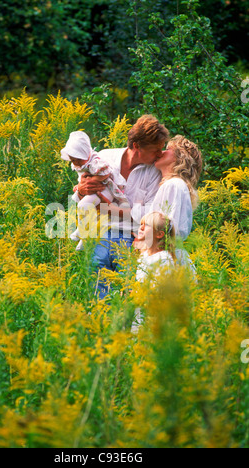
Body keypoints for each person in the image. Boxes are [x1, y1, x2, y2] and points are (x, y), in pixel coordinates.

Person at [76, 115, 170, 299]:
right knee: (97, 297)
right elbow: (82, 195)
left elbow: (148, 212)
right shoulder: (104, 157)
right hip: (98, 234)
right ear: (137, 146)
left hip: (130, 238)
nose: (160, 154)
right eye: (156, 150)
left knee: (124, 297)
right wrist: (80, 190)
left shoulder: (154, 172)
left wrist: (109, 209)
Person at [61, 131, 128, 250]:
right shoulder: (82, 163)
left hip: (107, 188)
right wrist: (79, 186)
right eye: (72, 160)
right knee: (89, 211)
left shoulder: (96, 161)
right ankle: (84, 236)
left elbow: (105, 173)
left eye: (77, 159)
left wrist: (91, 180)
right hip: (100, 189)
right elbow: (82, 178)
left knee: (83, 206)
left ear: (85, 154)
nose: (75, 163)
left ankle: (82, 232)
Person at [150, 134, 202, 272]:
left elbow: (168, 229)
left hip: (166, 259)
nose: (160, 152)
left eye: (167, 149)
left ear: (180, 158)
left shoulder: (174, 185)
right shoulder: (171, 185)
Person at [131, 212, 176, 334]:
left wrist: (138, 293)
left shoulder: (164, 258)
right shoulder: (143, 256)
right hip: (140, 310)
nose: (141, 228)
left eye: (146, 225)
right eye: (141, 224)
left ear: (159, 234)